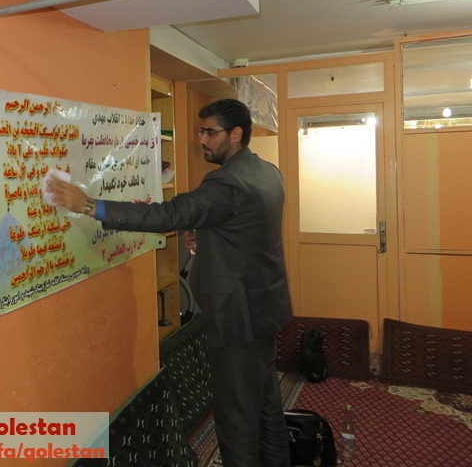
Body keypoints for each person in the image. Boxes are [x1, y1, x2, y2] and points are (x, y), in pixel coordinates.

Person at [45, 98, 292, 467]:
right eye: (200, 132)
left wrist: (90, 205)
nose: (202, 140)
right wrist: (208, 234)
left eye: (210, 132)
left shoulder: (226, 182)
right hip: (266, 309)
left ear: (236, 134)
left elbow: (169, 214)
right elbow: (246, 232)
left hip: (237, 320)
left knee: (237, 420)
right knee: (266, 407)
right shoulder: (268, 172)